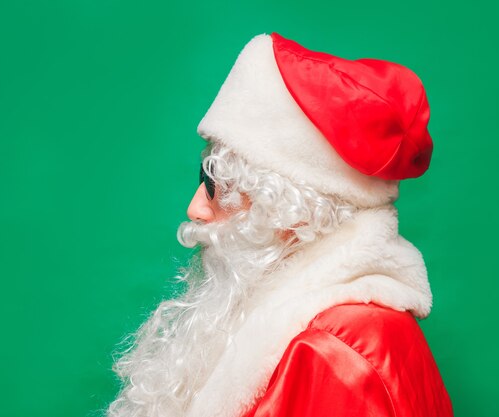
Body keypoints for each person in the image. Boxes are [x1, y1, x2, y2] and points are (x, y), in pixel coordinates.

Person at [107, 32, 453, 417]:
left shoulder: (336, 354)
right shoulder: (326, 329)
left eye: (213, 184)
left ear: (290, 209)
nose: (195, 209)